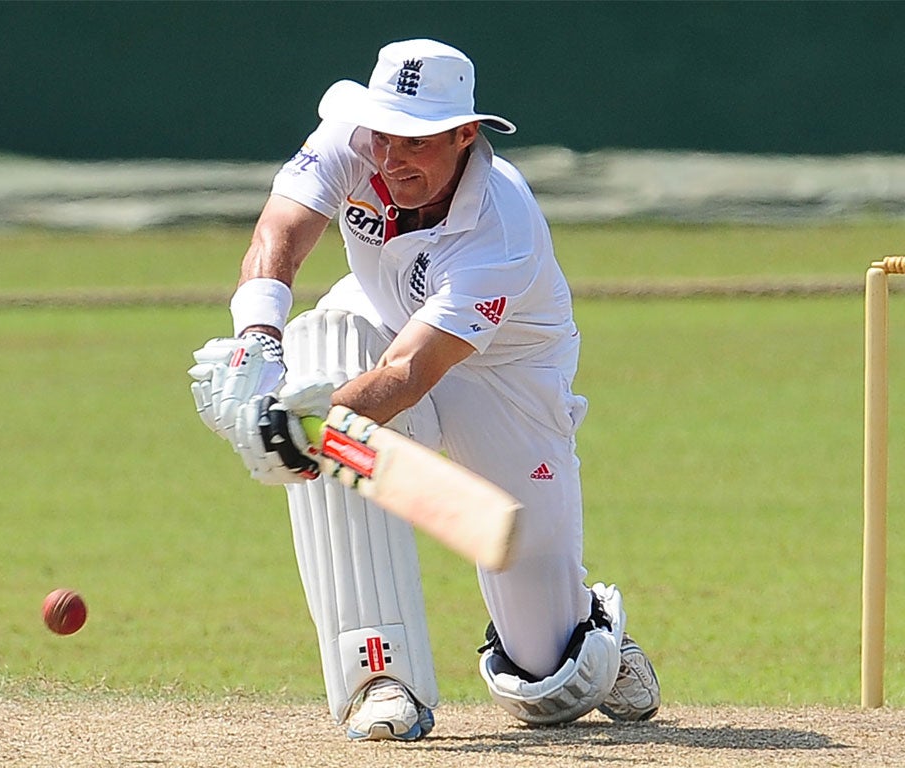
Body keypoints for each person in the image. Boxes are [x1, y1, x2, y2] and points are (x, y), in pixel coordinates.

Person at [188, 38, 660, 742]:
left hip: (502, 375)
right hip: (377, 319)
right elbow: (279, 233)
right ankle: (381, 679)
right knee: (321, 348)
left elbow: (411, 374)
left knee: (546, 683)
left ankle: (589, 636)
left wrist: (296, 427)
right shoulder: (354, 136)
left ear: (465, 133)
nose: (391, 157)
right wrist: (258, 342)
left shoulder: (501, 227)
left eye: (416, 140)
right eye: (383, 134)